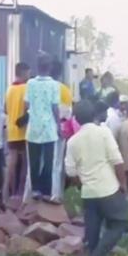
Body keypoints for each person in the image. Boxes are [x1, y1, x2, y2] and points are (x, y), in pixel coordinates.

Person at [64, 99, 128, 256]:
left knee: (92, 231)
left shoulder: (73, 141)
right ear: (94, 115)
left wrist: (81, 184)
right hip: (109, 189)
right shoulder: (104, 132)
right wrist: (123, 184)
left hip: (89, 192)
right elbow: (117, 161)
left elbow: (70, 171)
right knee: (119, 223)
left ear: (76, 119)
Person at [24, 53, 61, 201]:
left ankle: (35, 190)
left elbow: (26, 103)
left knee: (33, 161)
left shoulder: (30, 83)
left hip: (33, 128)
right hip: (49, 129)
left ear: (37, 67)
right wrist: (58, 125)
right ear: (50, 67)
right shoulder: (54, 85)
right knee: (48, 161)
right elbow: (55, 107)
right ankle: (46, 191)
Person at [4, 61, 30, 202]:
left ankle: (8, 193)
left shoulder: (9, 89)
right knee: (25, 163)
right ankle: (20, 193)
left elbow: (7, 109)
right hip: (23, 131)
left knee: (11, 163)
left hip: (11, 131)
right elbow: (27, 108)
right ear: (24, 72)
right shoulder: (26, 88)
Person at [50, 59, 73, 202]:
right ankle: (56, 194)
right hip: (59, 131)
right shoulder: (64, 90)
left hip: (42, 130)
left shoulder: (42, 87)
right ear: (60, 73)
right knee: (57, 163)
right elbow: (68, 113)